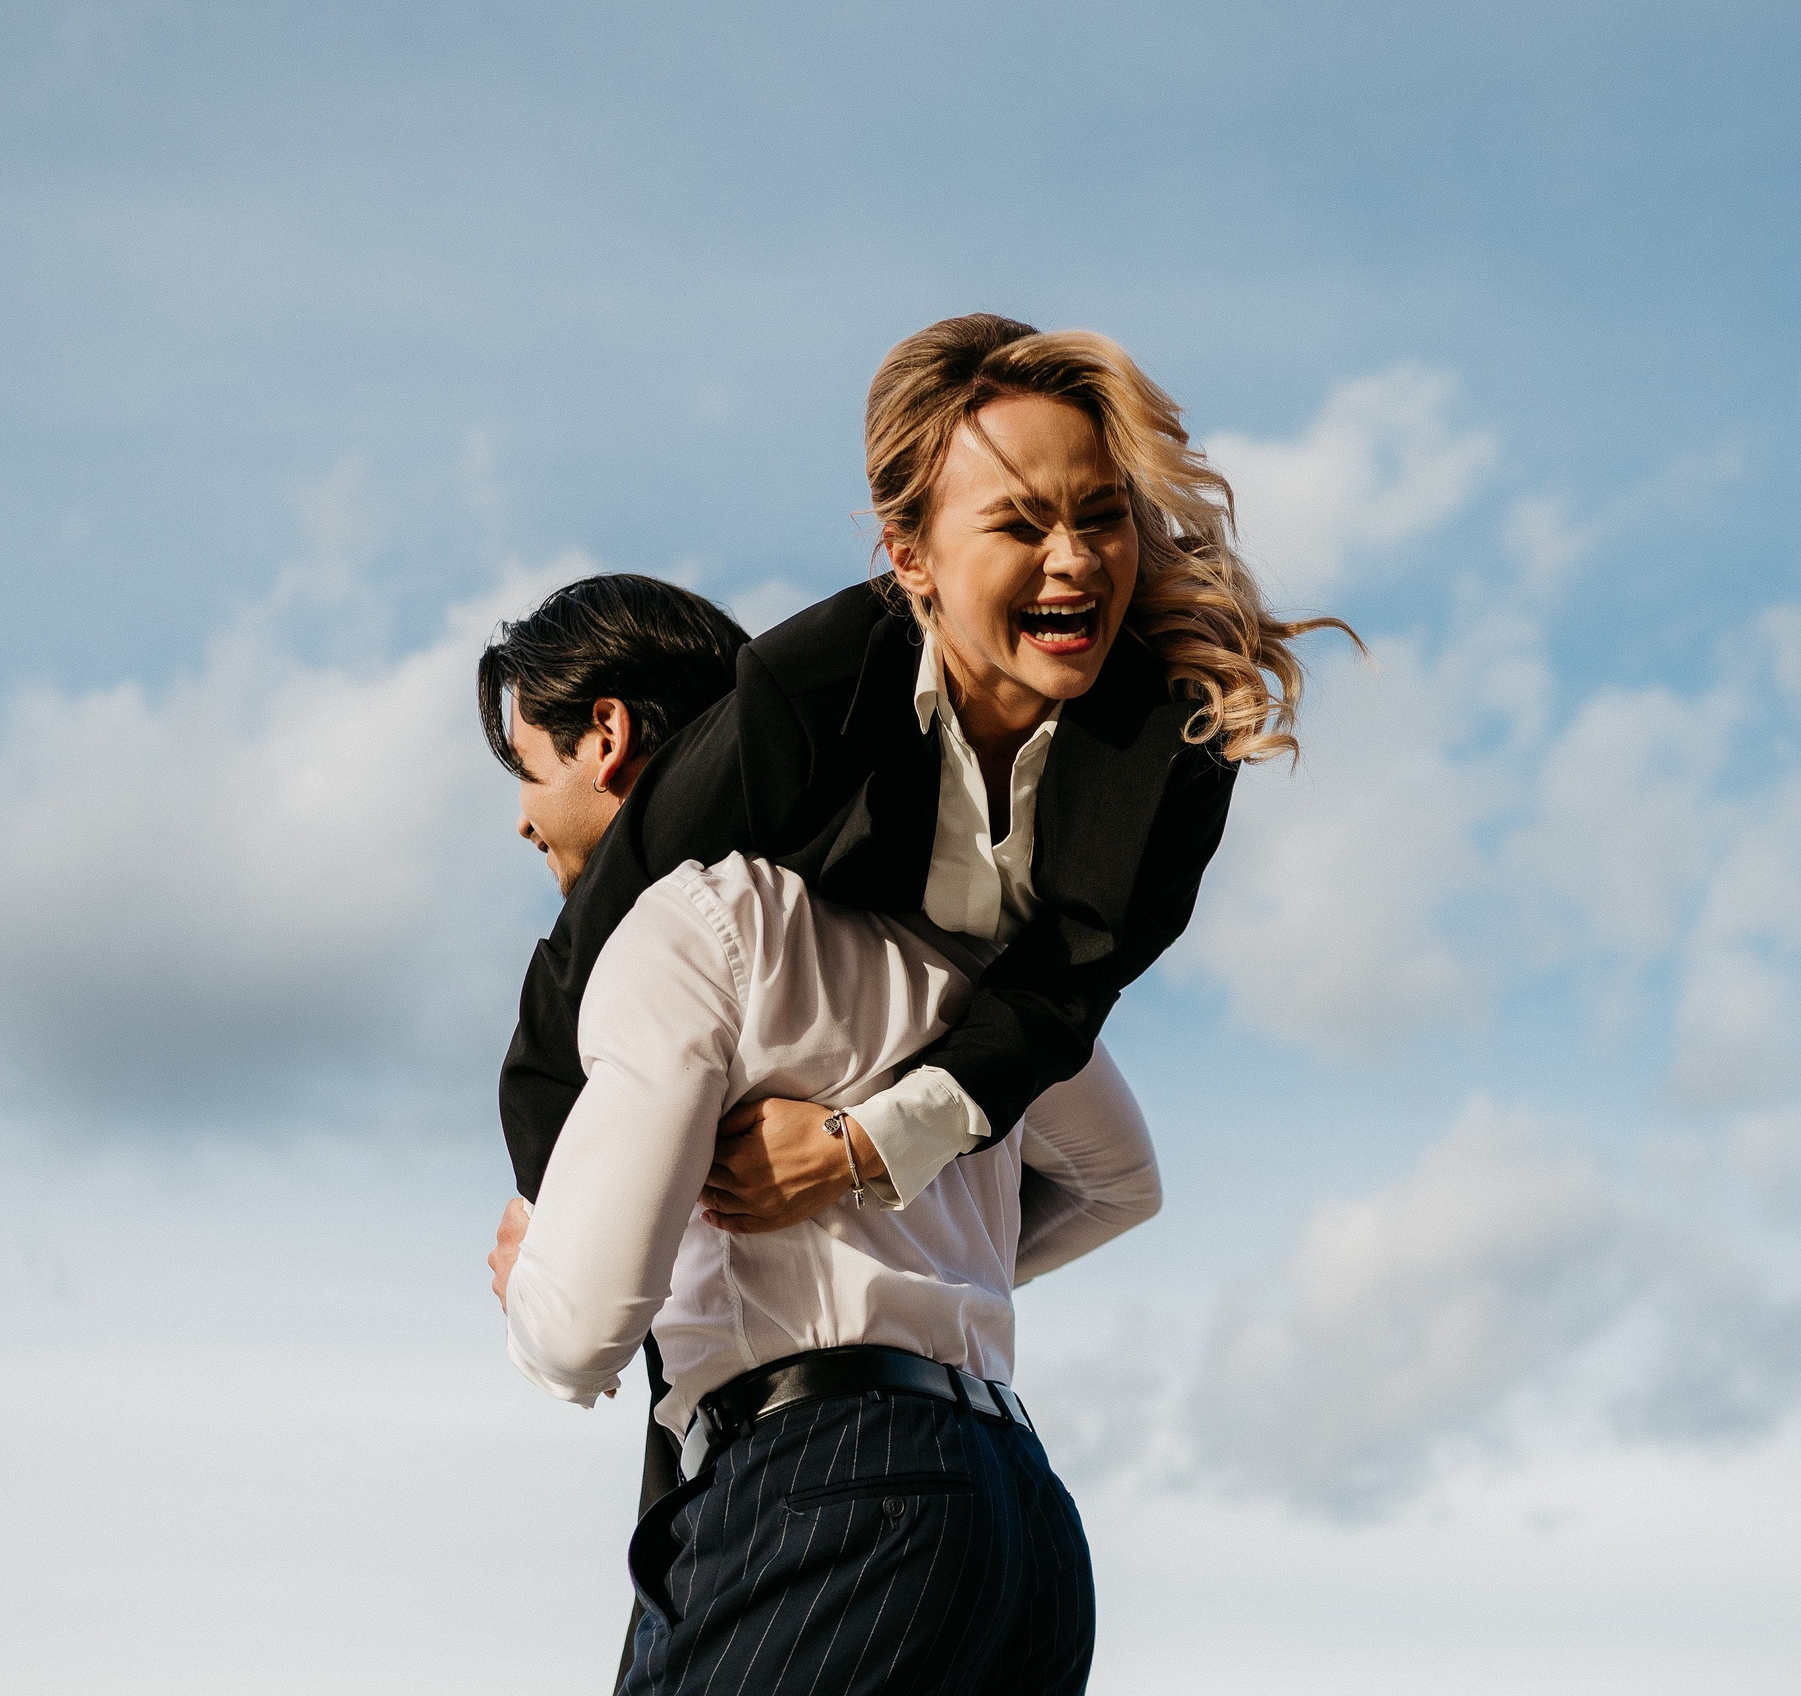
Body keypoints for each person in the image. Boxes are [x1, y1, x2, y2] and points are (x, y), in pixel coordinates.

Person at [496, 313, 1354, 1242]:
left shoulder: (1187, 724)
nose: (1075, 559)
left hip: (998, 1027)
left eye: (1103, 515)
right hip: (831, 998)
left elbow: (1061, 996)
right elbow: (589, 947)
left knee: (1123, 1182)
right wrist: (555, 1220)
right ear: (912, 558)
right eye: (1020, 523)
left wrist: (859, 1149)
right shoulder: (806, 694)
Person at [478, 577, 1161, 1696]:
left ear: (605, 737)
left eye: (525, 767)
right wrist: (901, 1225)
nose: (520, 817)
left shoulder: (681, 926)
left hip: (828, 1501)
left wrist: (530, 1271)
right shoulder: (954, 942)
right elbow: (1118, 1182)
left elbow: (580, 1332)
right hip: (1019, 1523)